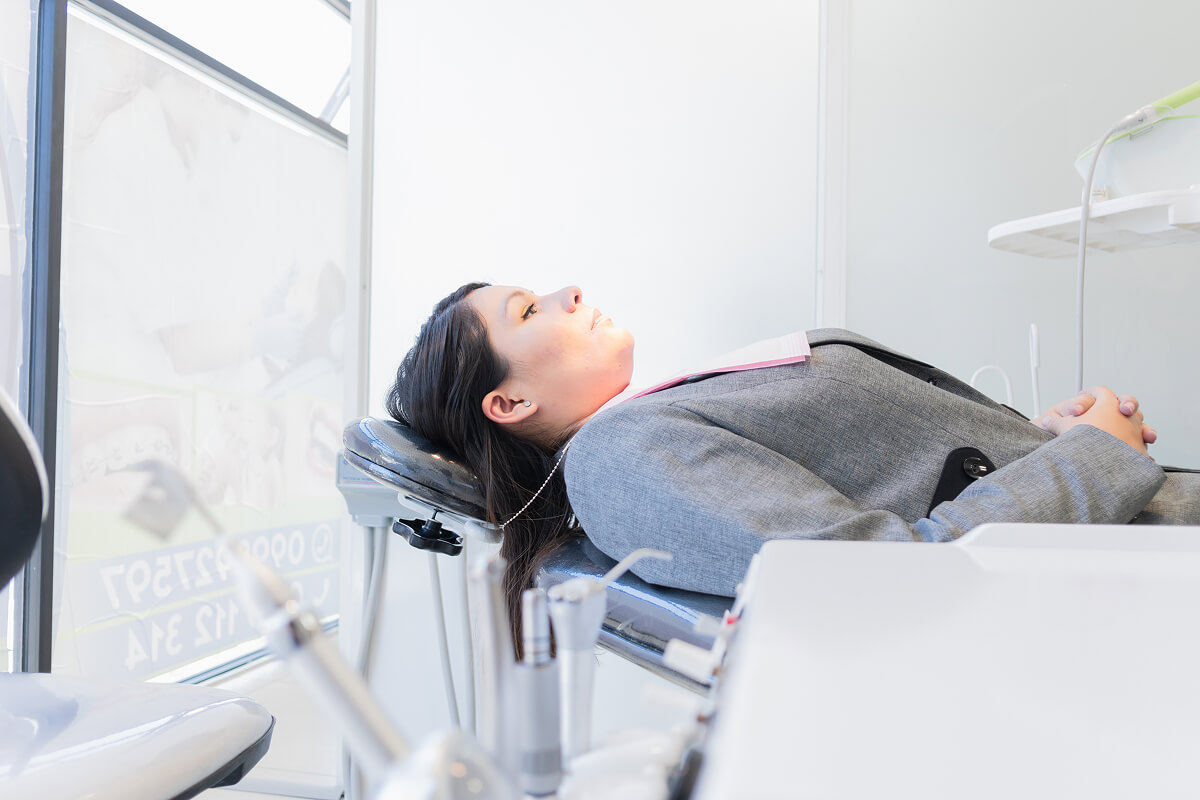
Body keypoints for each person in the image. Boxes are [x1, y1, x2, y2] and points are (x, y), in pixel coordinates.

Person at [387, 283, 1200, 628]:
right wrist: (1092, 461)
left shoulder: (656, 416)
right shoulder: (619, 458)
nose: (567, 291)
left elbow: (909, 474)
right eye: (530, 309)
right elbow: (880, 573)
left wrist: (1035, 441)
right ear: (510, 403)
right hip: (1136, 580)